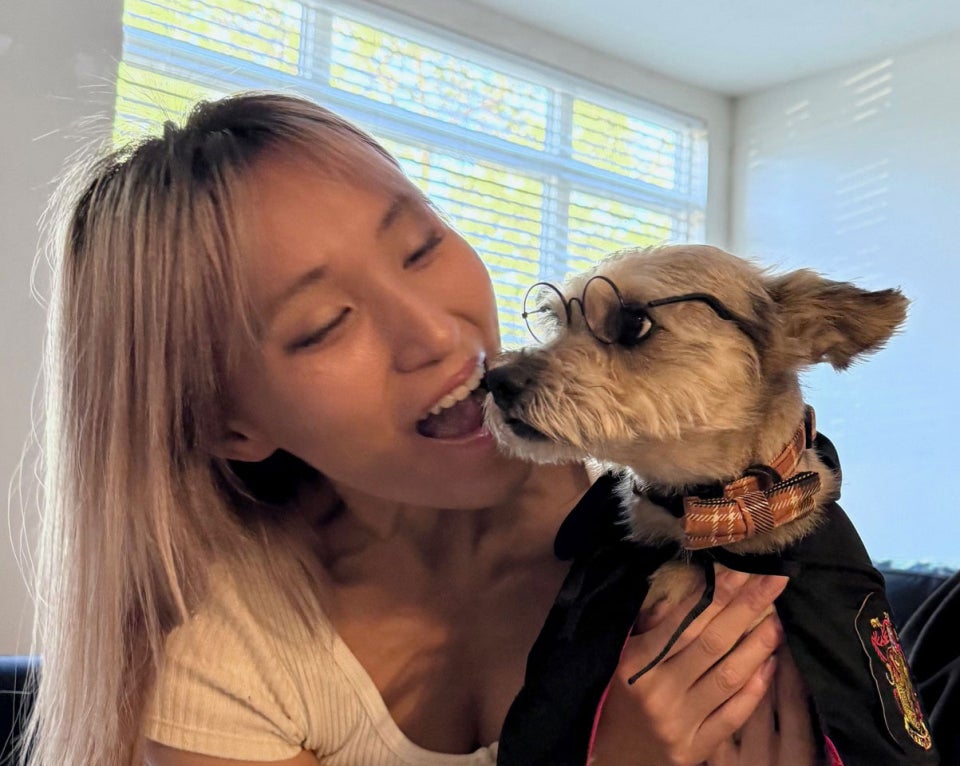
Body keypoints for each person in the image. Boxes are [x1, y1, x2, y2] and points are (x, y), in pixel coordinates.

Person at [25, 92, 817, 766]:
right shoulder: (230, 662)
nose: (438, 333)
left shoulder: (687, 503)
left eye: (421, 246)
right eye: (325, 323)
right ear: (230, 427)